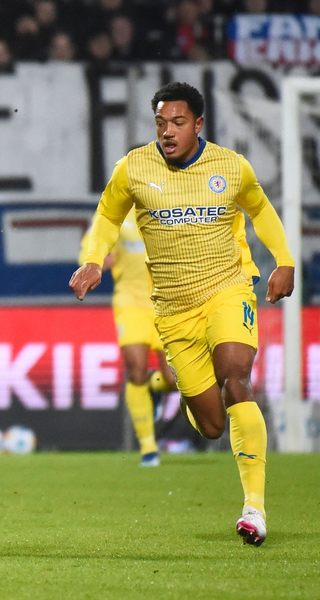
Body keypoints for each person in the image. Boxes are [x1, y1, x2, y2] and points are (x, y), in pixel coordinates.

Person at [69, 82, 294, 546]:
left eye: (177, 122)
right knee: (212, 424)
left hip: (229, 290)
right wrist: (93, 259)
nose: (167, 132)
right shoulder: (134, 167)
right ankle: (194, 400)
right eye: (160, 123)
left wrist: (284, 260)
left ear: (198, 124)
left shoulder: (230, 167)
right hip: (172, 311)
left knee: (236, 380)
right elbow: (108, 216)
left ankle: (254, 508)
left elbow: (261, 209)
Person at [79, 212, 177, 468]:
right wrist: (99, 261)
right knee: (136, 372)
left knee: (174, 379)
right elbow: (90, 249)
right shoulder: (115, 212)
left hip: (167, 303)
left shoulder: (166, 206)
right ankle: (148, 448)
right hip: (130, 303)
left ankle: (155, 389)